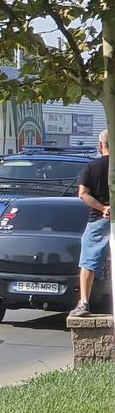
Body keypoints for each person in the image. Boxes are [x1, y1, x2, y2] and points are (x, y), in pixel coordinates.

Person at [71, 130, 111, 318]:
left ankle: (84, 303)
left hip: (98, 221)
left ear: (100, 145)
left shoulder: (92, 167)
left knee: (88, 261)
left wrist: (103, 208)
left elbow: (83, 194)